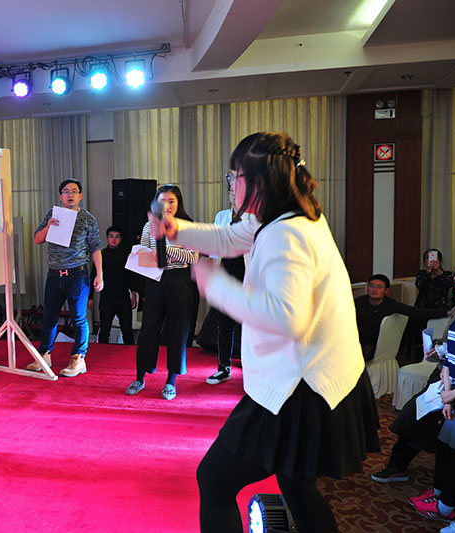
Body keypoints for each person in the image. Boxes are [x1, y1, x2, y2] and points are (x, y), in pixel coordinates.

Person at [151, 132, 379, 532]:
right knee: (297, 486)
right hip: (318, 376)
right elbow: (230, 237)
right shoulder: (282, 216)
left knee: (215, 480)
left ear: (258, 181)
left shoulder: (286, 234)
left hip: (299, 387)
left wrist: (214, 284)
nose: (231, 185)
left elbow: (286, 318)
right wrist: (176, 230)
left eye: (234, 176)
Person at [125, 184, 199, 400]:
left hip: (179, 281)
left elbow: (193, 257)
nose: (166, 206)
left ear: (178, 203)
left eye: (171, 201)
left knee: (177, 331)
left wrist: (167, 251)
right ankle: (140, 378)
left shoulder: (187, 226)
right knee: (148, 330)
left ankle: (171, 382)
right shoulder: (149, 226)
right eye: (162, 201)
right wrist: (149, 254)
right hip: (155, 280)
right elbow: (144, 251)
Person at [28, 179, 103, 377]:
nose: (70, 195)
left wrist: (100, 274)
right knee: (49, 316)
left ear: (80, 196)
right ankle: (44, 354)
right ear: (61, 196)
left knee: (78, 317)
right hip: (54, 274)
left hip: (77, 274)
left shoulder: (87, 218)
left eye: (74, 191)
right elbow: (37, 239)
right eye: (66, 191)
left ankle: (78, 358)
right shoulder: (52, 214)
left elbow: (95, 247)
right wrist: (48, 226)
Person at [410, 269, 455, 528]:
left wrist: (452, 394)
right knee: (452, 452)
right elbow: (449, 362)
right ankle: (446, 505)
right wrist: (447, 397)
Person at [206, 182, 249, 385]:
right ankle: (224, 368)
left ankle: (251, 368)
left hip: (246, 280)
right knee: (224, 327)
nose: (235, 195)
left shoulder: (255, 219)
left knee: (248, 327)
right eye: (232, 191)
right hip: (224, 278)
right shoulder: (222, 216)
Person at [354, 273, 442, 361]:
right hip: (357, 340)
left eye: (379, 287)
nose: (374, 290)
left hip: (376, 345)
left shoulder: (390, 304)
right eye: (372, 286)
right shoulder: (358, 302)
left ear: (386, 291)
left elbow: (415, 311)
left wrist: (444, 312)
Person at [88, 226, 137, 345]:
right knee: (105, 330)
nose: (114, 239)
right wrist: (90, 297)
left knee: (127, 330)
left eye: (117, 237)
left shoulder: (127, 254)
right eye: (111, 236)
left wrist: (134, 295)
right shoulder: (101, 254)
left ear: (121, 239)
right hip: (106, 298)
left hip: (123, 298)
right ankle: (102, 353)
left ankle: (130, 354)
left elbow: (132, 277)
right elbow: (93, 275)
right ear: (107, 238)